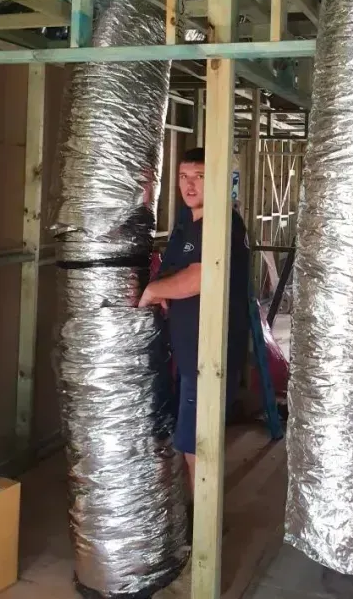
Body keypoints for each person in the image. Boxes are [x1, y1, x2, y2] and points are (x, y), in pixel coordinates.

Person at [139, 147, 250, 492]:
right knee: (191, 442)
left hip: (209, 357)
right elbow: (179, 269)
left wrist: (155, 292)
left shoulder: (221, 223)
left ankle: (203, 534)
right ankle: (199, 517)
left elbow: (200, 277)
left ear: (214, 181)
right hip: (190, 353)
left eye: (199, 178)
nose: (189, 186)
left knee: (196, 447)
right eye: (184, 177)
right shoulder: (189, 221)